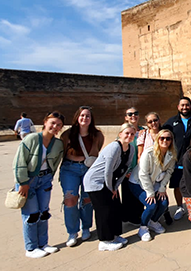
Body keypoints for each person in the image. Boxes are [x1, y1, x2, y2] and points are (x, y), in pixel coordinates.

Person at [13, 111, 65, 258]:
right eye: (53, 123)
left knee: (43, 213)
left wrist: (49, 178)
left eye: (59, 125)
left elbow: (55, 163)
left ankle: (43, 244)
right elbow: (19, 162)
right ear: (45, 122)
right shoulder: (31, 139)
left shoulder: (57, 144)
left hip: (45, 180)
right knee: (31, 215)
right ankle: (30, 248)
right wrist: (23, 183)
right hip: (28, 181)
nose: (55, 127)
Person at [83, 123, 136, 251]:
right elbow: (107, 171)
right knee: (104, 211)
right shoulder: (114, 147)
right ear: (120, 134)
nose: (129, 136)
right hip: (95, 182)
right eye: (127, 133)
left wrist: (115, 187)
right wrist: (110, 188)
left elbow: (124, 170)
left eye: (132, 134)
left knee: (116, 207)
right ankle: (104, 241)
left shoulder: (131, 149)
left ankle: (115, 235)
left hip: (110, 183)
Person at [60, 106, 105, 247]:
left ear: (91, 119)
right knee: (70, 199)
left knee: (87, 199)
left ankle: (86, 227)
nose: (84, 118)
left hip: (89, 169)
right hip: (70, 169)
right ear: (77, 117)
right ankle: (72, 232)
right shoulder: (67, 135)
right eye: (82, 116)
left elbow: (97, 151)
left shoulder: (97, 135)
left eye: (87, 116)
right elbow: (61, 152)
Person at [131, 129, 177, 241]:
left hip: (155, 183)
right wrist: (150, 193)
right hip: (138, 182)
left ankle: (153, 221)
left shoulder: (171, 154)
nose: (165, 140)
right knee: (151, 205)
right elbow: (143, 174)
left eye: (168, 138)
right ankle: (143, 227)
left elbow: (169, 172)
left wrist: (162, 188)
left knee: (164, 203)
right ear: (157, 139)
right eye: (162, 138)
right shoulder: (149, 153)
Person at [163, 97, 191, 221]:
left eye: (187, 105)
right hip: (176, 161)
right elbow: (161, 134)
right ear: (178, 107)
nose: (184, 107)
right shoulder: (171, 122)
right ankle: (180, 207)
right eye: (182, 105)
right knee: (177, 186)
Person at [121, 107, 145, 226]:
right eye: (130, 114)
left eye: (135, 113)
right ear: (126, 117)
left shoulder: (143, 131)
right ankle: (127, 217)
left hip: (140, 168)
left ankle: (137, 216)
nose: (133, 116)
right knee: (127, 193)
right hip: (127, 169)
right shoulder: (124, 131)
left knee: (138, 193)